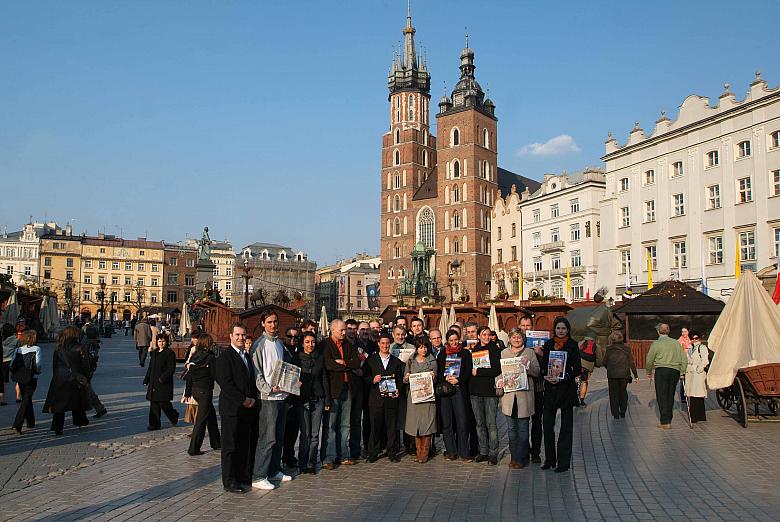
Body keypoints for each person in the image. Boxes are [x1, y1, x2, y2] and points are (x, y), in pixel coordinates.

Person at [251, 311, 293, 490]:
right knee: (267, 437)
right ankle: (259, 475)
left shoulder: (279, 344)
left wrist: (290, 384)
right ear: (263, 324)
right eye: (269, 322)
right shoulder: (258, 345)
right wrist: (268, 389)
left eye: (275, 322)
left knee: (278, 436)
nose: (273, 325)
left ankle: (274, 470)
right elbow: (256, 373)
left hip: (282, 395)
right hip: (268, 397)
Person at [216, 323, 259, 494]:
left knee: (243, 444)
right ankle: (229, 480)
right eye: (237, 335)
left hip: (247, 409)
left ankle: (242, 475)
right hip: (232, 409)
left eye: (243, 335)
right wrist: (243, 400)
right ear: (231, 336)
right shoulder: (225, 357)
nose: (240, 338)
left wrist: (252, 399)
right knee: (229, 446)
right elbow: (226, 384)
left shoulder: (246, 356)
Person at [540, 317, 581, 473]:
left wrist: (564, 377)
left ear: (568, 330)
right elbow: (544, 365)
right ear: (554, 329)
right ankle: (550, 459)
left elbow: (577, 368)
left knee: (566, 428)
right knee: (547, 425)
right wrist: (545, 374)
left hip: (566, 390)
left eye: (564, 328)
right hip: (550, 390)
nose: (561, 331)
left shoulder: (573, 345)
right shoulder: (549, 344)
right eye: (558, 328)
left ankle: (563, 462)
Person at [321, 319, 362, 469]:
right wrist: (347, 366)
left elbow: (357, 362)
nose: (344, 333)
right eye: (341, 330)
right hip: (333, 389)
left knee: (345, 425)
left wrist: (344, 363)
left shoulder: (348, 345)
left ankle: (343, 454)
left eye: (345, 330)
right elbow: (328, 364)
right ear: (332, 330)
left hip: (347, 388)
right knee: (330, 425)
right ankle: (328, 457)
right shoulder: (325, 345)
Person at [499, 328, 540, 469]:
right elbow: (500, 373)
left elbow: (537, 371)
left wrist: (527, 368)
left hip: (524, 397)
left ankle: (522, 458)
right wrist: (498, 382)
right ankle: (514, 457)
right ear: (509, 339)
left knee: (523, 430)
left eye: (519, 337)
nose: (516, 340)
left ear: (523, 339)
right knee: (511, 430)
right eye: (514, 337)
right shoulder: (504, 353)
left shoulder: (529, 352)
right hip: (509, 397)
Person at [42, 326, 92, 435]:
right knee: (77, 400)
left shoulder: (59, 347)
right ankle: (80, 421)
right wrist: (87, 376)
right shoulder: (80, 347)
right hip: (76, 376)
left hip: (60, 377)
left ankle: (57, 427)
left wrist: (56, 375)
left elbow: (54, 364)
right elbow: (85, 364)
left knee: (60, 403)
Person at [365, 333, 404, 462]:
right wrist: (372, 380)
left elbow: (399, 380)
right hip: (376, 399)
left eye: (387, 343)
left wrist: (398, 389)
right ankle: (373, 452)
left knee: (391, 427)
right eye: (382, 343)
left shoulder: (396, 361)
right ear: (378, 344)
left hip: (391, 399)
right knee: (375, 427)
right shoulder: (371, 360)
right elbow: (364, 378)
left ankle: (392, 452)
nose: (385, 346)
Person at [295, 331, 330, 474]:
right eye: (308, 342)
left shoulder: (320, 358)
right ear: (303, 343)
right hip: (302, 400)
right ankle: (302, 462)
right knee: (305, 433)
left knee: (315, 434)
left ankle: (311, 462)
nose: (310, 344)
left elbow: (324, 379)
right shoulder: (296, 358)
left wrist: (327, 399)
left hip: (318, 398)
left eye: (313, 342)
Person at [437, 329, 473, 461]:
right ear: (447, 341)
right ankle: (451, 450)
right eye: (451, 340)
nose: (454, 342)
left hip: (459, 389)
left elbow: (468, 371)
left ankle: (464, 451)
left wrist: (459, 380)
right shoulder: (442, 354)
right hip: (446, 390)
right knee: (447, 422)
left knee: (462, 421)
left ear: (459, 339)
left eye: (455, 340)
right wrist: (445, 378)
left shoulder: (465, 353)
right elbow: (439, 373)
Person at [470, 326, 502, 465]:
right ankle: (483, 451)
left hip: (489, 391)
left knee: (491, 423)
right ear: (478, 336)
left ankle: (493, 452)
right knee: (480, 423)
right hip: (476, 391)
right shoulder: (474, 350)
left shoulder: (495, 350)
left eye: (488, 334)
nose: (486, 337)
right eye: (483, 334)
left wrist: (480, 372)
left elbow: (496, 370)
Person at [184, 333, 221, 455]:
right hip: (205, 391)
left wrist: (188, 392)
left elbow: (189, 375)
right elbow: (216, 375)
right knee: (201, 420)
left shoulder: (194, 355)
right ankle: (193, 448)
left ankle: (216, 443)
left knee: (211, 416)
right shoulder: (210, 357)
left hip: (195, 390)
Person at [646, 323, 687, 429]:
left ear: (658, 332)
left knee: (661, 394)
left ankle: (665, 421)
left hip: (661, 370)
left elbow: (649, 359)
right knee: (670, 394)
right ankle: (668, 418)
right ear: (668, 331)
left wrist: (648, 371)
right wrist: (682, 371)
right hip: (674, 371)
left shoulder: (656, 344)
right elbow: (684, 359)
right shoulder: (676, 343)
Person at [403, 337, 437, 463]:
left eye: (425, 347)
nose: (424, 349)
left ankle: (425, 453)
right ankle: (418, 452)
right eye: (421, 347)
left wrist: (433, 377)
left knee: (427, 425)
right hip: (414, 397)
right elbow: (404, 378)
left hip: (427, 397)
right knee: (415, 425)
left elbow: (436, 377)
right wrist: (406, 377)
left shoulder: (432, 360)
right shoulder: (411, 360)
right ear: (417, 348)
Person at [519, 315, 543, 463]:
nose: (525, 328)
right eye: (523, 326)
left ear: (532, 327)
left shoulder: (541, 344)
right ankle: (524, 449)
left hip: (538, 387)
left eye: (528, 326)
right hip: (523, 388)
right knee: (523, 421)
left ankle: (535, 451)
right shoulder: (517, 343)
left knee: (536, 421)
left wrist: (540, 354)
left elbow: (547, 366)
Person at [143, 332, 178, 430]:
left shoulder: (169, 353)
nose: (161, 343)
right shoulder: (154, 352)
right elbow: (151, 367)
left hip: (163, 382)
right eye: (159, 341)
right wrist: (147, 379)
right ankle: (154, 424)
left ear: (166, 342)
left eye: (163, 341)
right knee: (154, 402)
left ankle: (173, 415)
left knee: (163, 402)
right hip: (154, 381)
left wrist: (163, 378)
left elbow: (171, 368)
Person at [10, 330, 43, 434]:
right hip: (30, 376)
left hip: (20, 377)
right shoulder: (36, 349)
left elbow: (12, 364)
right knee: (26, 400)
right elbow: (38, 365)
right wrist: (37, 371)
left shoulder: (18, 350)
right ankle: (17, 424)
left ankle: (30, 421)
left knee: (26, 398)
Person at [603, 331, 638, 419]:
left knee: (613, 394)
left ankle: (615, 414)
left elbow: (604, 362)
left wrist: (609, 368)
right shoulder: (627, 349)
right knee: (623, 392)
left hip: (612, 375)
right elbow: (631, 362)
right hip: (624, 375)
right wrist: (635, 374)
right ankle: (623, 411)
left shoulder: (608, 349)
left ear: (612, 338)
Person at [282, 327, 301, 469]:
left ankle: (289, 455)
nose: (293, 340)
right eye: (290, 337)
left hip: (296, 394)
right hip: (283, 394)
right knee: (283, 428)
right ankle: (283, 455)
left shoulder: (299, 352)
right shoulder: (282, 350)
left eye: (296, 338)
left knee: (293, 428)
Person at [685, 331, 709, 423]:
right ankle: (698, 415)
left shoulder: (702, 348)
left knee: (698, 393)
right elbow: (687, 360)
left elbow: (705, 360)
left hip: (698, 373)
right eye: (692, 338)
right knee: (692, 393)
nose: (694, 340)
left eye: (696, 338)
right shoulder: (690, 349)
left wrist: (700, 368)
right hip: (690, 373)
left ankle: (697, 416)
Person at [576, 331, 598, 407]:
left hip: (578, 365)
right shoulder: (596, 346)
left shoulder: (580, 343)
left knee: (576, 380)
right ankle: (582, 401)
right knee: (584, 382)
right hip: (588, 367)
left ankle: (574, 398)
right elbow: (599, 358)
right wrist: (596, 365)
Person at [2, 323, 19, 406]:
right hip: (12, 360)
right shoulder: (15, 340)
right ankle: (18, 397)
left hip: (3, 361)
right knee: (18, 379)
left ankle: (1, 398)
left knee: (3, 381)